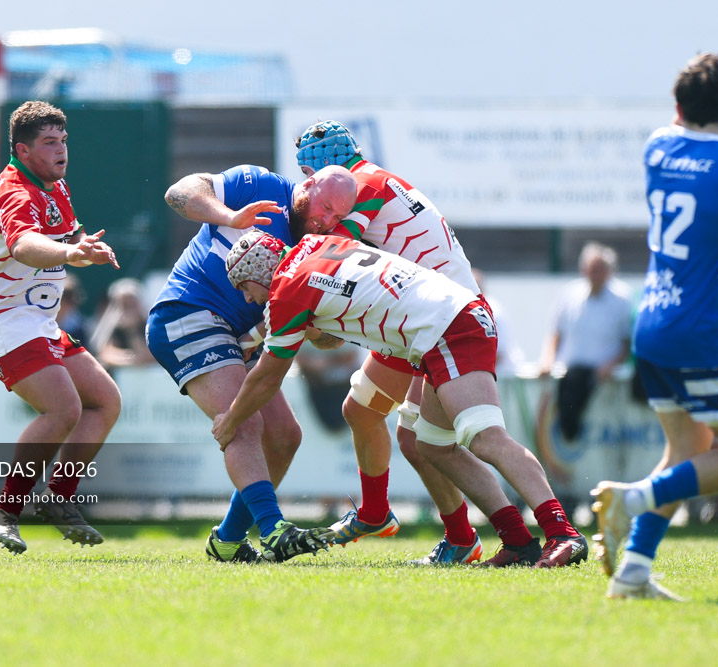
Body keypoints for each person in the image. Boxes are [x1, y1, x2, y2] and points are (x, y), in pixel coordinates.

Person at [213, 231, 588, 569]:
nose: (248, 298)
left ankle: (563, 532)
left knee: (485, 437)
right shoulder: (317, 246)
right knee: (433, 445)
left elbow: (266, 377)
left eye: (245, 287)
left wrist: (229, 420)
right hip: (442, 323)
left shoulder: (286, 289)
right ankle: (518, 542)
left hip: (449, 327)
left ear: (260, 272)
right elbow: (334, 325)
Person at [294, 121, 547, 567]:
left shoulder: (359, 185)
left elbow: (332, 254)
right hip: (425, 313)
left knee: (431, 441)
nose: (309, 193)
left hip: (440, 319)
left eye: (307, 177)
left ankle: (491, 535)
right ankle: (389, 516)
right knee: (368, 414)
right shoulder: (372, 178)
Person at [592, 53, 718, 600]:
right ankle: (633, 500)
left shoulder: (658, 148)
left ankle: (632, 574)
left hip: (650, 326)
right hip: (697, 333)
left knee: (687, 450)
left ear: (677, 107)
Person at [146, 163, 356, 562]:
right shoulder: (261, 186)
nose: (326, 221)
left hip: (242, 338)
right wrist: (230, 217)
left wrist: (314, 324)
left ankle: (226, 541)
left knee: (285, 437)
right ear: (307, 185)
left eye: (337, 216)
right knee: (243, 421)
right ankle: (275, 529)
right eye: (324, 207)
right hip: (187, 313)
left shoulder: (325, 247)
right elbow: (179, 192)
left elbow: (329, 339)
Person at [0, 100, 122, 555]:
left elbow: (59, 235)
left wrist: (81, 244)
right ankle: (5, 511)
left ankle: (59, 498)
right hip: (1, 321)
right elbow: (26, 245)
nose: (61, 150)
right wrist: (72, 255)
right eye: (49, 143)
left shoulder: (55, 186)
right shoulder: (15, 192)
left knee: (105, 402)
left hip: (35, 320)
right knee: (63, 410)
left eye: (64, 141)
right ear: (23, 150)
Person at [539, 242, 632, 441]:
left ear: (609, 271)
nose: (594, 275)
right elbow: (556, 332)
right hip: (570, 375)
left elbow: (627, 341)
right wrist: (547, 360)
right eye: (591, 269)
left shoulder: (622, 299)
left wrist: (611, 365)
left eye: (599, 270)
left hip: (603, 379)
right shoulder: (569, 294)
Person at [90, 278, 154, 369]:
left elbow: (147, 356)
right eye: (124, 304)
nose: (128, 309)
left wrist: (132, 330)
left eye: (132, 304)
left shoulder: (150, 326)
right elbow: (106, 354)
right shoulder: (112, 327)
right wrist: (131, 359)